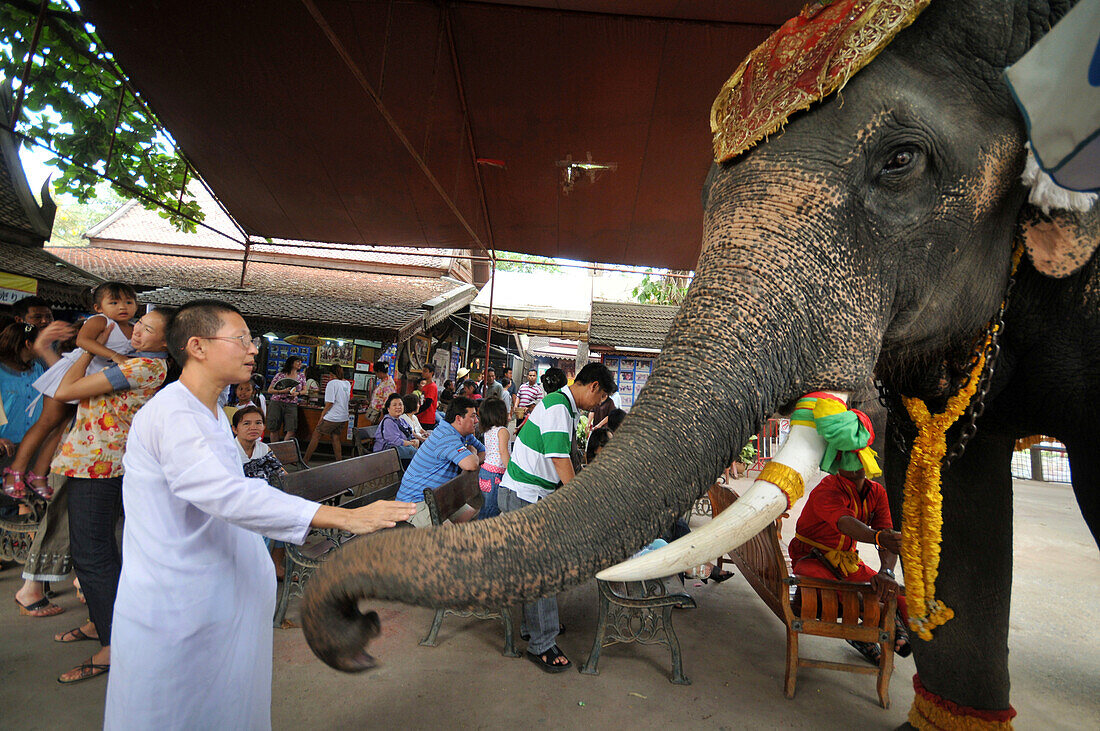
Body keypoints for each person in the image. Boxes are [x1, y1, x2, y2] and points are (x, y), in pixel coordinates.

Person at [104, 299, 414, 728]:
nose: (252, 349)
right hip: (180, 607)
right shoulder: (172, 413)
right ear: (197, 346)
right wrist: (343, 517)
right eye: (241, 339)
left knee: (229, 708)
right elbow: (227, 495)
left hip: (221, 600)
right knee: (175, 713)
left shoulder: (210, 412)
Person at [49, 307, 176, 684]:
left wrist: (89, 349)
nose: (137, 332)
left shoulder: (143, 368)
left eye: (148, 329)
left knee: (92, 554)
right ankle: (101, 624)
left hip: (100, 465)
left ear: (166, 342)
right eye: (139, 325)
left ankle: (113, 645)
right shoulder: (136, 362)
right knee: (98, 550)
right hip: (95, 461)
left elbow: (65, 391)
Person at [498, 362, 616, 673]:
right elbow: (559, 457)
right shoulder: (557, 408)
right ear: (592, 387)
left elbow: (564, 457)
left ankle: (534, 627)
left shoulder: (565, 407)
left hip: (529, 496)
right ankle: (542, 644)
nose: (599, 403)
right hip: (521, 497)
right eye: (601, 396)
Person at [786, 393, 910, 663]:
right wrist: (878, 537)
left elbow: (887, 533)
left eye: (857, 468)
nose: (854, 473)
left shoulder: (877, 492)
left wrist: (887, 571)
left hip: (848, 563)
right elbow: (845, 523)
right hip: (811, 559)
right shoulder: (827, 488)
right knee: (852, 597)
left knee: (897, 595)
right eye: (848, 467)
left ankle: (890, 628)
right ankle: (869, 632)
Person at [6, 282, 138, 500]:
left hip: (90, 382)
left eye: (129, 302)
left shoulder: (134, 328)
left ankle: (38, 474)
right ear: (98, 307)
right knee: (47, 422)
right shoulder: (100, 320)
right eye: (113, 302)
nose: (122, 306)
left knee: (61, 428)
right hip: (72, 373)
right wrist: (115, 356)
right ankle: (15, 473)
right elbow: (82, 341)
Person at [2, 320, 78, 619]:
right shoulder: (73, 366)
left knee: (62, 519)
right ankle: (33, 585)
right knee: (56, 518)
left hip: (53, 450)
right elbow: (51, 419)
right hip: (28, 449)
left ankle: (58, 581)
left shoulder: (43, 368)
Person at [397, 396, 485, 528]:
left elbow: (484, 452)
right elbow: (471, 464)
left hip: (440, 497)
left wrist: (471, 454)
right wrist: (472, 453)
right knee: (450, 535)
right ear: (458, 419)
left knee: (472, 514)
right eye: (472, 416)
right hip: (416, 502)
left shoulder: (464, 434)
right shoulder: (446, 436)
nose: (476, 420)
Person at [302, 364, 352, 463]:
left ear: (331, 374)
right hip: (343, 416)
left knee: (316, 435)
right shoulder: (347, 383)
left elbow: (330, 402)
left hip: (332, 416)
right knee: (335, 437)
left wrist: (322, 415)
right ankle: (339, 461)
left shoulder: (331, 383)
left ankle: (305, 460)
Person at [476, 397, 510, 520]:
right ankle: (484, 535)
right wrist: (511, 471)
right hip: (496, 474)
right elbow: (503, 452)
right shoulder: (502, 431)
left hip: (485, 472)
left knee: (486, 507)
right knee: (493, 509)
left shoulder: (488, 431)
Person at [265, 355, 305, 442]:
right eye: (297, 361)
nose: (300, 363)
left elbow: (305, 390)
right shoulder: (280, 375)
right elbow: (270, 390)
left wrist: (297, 393)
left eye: (300, 361)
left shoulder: (301, 376)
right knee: (274, 427)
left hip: (292, 403)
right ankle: (275, 450)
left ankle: (284, 449)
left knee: (291, 428)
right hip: (277, 402)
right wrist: (282, 391)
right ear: (291, 363)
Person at [374, 393, 419, 463]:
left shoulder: (401, 420)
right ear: (388, 409)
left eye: (400, 404)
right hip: (386, 453)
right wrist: (411, 443)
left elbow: (410, 433)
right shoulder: (388, 422)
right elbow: (395, 441)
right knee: (417, 456)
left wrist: (415, 440)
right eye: (394, 405)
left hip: (399, 451)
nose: (398, 407)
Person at [417, 363, 439, 431]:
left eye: (425, 371)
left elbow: (428, 403)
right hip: (421, 417)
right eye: (423, 371)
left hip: (427, 419)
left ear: (431, 373)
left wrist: (417, 411)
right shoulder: (426, 385)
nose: (423, 373)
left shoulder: (432, 386)